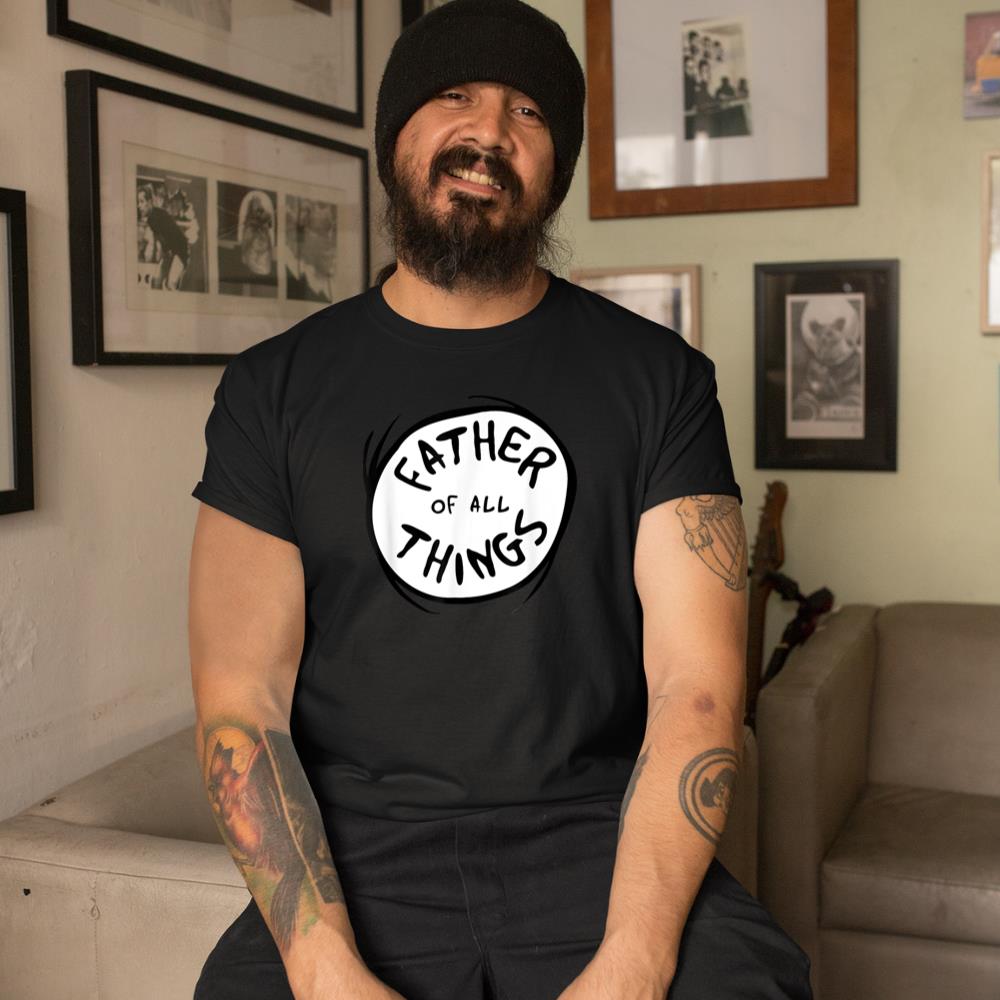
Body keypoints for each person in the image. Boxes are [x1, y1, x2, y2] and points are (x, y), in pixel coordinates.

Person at [188, 2, 814, 999]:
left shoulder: (660, 381)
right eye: (454, 97)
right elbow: (241, 700)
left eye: (528, 111)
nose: (488, 132)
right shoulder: (273, 390)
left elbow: (696, 686)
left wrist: (635, 960)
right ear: (395, 137)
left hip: (598, 838)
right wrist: (321, 966)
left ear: (555, 168)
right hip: (359, 852)